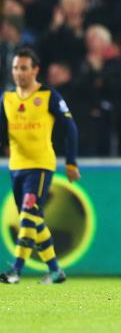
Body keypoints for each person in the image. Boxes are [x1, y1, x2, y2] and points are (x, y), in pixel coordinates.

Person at [0, 47, 80, 284]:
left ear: (35, 70)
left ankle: (15, 270)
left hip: (41, 166)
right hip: (16, 166)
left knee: (27, 215)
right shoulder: (7, 99)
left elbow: (70, 128)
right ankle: (55, 271)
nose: (18, 73)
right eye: (15, 68)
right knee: (34, 219)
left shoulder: (49, 96)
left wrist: (71, 162)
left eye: (23, 68)